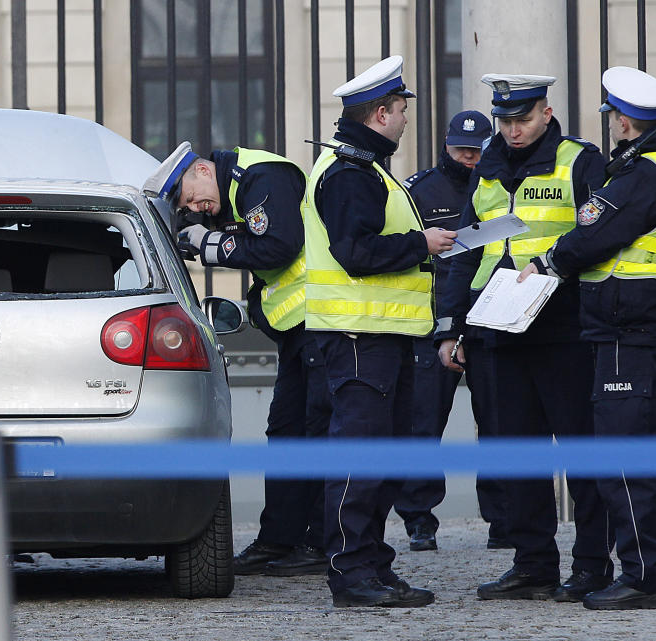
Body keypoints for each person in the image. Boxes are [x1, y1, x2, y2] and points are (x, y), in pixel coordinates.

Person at [435, 73, 613, 602]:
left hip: (565, 331)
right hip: (497, 332)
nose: (513, 131)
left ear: (547, 113)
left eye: (523, 119)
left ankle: (591, 567)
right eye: (505, 121)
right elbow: (466, 250)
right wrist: (451, 327)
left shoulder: (580, 161)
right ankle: (533, 565)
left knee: (582, 455)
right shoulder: (486, 168)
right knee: (516, 455)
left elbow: (597, 237)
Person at [303, 55, 456, 608]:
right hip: (357, 336)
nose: (406, 119)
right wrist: (424, 245)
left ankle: (372, 563)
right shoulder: (350, 175)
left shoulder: (366, 168)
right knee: (360, 456)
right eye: (401, 110)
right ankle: (350, 572)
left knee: (384, 455)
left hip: (379, 336)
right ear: (380, 114)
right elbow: (355, 254)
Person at [143, 141, 331, 577]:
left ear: (202, 169)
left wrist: (212, 244)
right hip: (299, 328)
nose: (199, 207)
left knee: (317, 432)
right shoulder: (235, 191)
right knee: (286, 433)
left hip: (322, 323)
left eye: (191, 196)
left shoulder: (260, 176)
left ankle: (320, 543)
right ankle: (278, 541)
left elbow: (280, 246)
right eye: (190, 208)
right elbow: (257, 242)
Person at [519, 66, 656, 610]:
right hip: (639, 329)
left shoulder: (639, 175)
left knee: (623, 461)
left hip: (627, 332)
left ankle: (643, 577)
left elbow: (594, 236)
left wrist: (547, 260)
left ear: (622, 120)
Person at [396, 110, 510, 552]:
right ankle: (419, 519)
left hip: (489, 316)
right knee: (423, 422)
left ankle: (504, 518)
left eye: (474, 149)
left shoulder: (499, 187)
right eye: (458, 149)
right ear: (445, 145)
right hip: (434, 320)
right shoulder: (421, 191)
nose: (466, 157)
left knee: (498, 421)